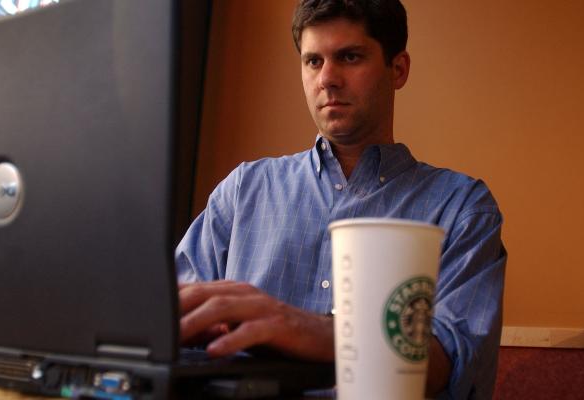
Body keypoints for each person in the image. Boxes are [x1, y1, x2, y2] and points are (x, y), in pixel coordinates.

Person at [175, 0, 507, 398]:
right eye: (313, 61)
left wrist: (304, 327)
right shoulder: (243, 190)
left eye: (349, 57)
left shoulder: (462, 208)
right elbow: (168, 323)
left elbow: (451, 366)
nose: (327, 79)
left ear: (398, 69)